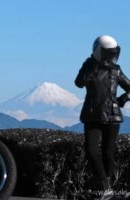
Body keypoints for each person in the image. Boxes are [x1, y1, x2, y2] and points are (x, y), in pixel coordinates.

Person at [75, 35, 130, 200]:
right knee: (91, 151)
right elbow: (79, 82)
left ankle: (107, 190)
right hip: (93, 114)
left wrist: (124, 98)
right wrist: (89, 67)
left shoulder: (116, 70)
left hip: (112, 116)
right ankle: (106, 187)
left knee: (108, 152)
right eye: (108, 52)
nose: (111, 56)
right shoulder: (89, 66)